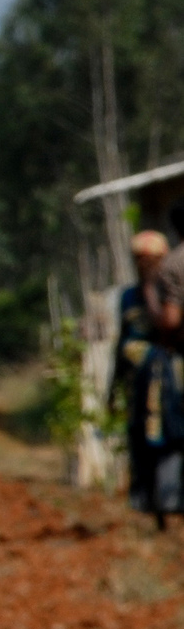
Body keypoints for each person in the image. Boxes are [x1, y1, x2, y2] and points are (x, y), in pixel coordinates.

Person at [119, 225, 179, 527]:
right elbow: (122, 344)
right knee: (144, 442)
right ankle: (154, 506)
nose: (147, 266)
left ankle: (170, 503)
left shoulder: (171, 292)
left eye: (152, 260)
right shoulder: (129, 297)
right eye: (141, 260)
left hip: (171, 384)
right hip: (140, 386)